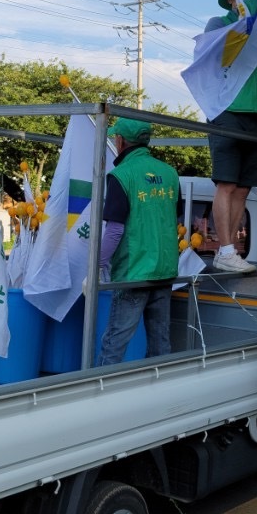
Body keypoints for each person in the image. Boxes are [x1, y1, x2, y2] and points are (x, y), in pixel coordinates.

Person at [95, 118, 180, 365]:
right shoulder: (170, 173)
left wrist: (97, 266)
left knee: (115, 342)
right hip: (164, 270)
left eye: (115, 137)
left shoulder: (121, 175)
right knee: (160, 342)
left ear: (120, 141)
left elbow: (114, 231)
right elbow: (173, 218)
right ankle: (158, 394)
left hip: (134, 273)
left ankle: (102, 395)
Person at [205, 0, 257, 274]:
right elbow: (214, 56)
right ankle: (224, 248)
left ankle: (230, 250)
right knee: (227, 183)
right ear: (231, 0)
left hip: (253, 114)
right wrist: (241, 23)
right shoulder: (218, 23)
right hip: (225, 109)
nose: (246, 2)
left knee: (244, 187)